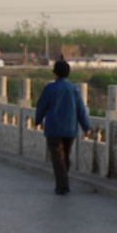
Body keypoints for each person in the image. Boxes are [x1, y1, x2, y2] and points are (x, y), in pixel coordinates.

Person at [32, 58, 92, 194]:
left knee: (58, 158)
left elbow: (41, 106)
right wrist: (86, 127)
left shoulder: (50, 88)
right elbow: (81, 110)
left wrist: (37, 120)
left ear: (55, 73)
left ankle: (62, 185)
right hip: (70, 129)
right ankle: (63, 182)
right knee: (65, 156)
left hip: (53, 129)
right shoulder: (74, 89)